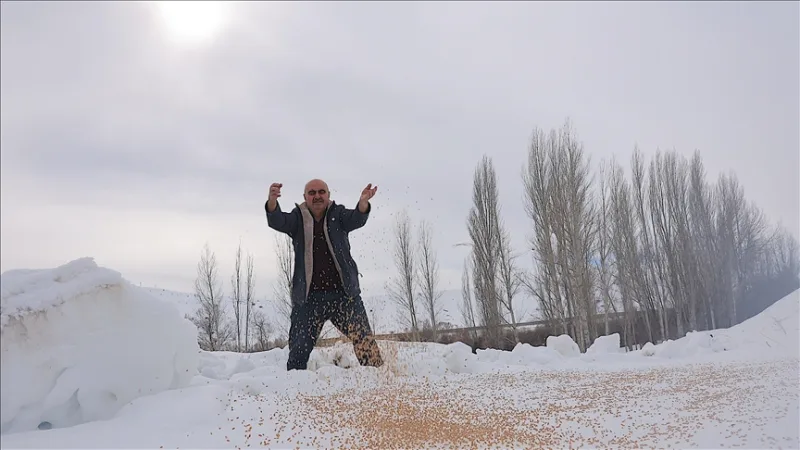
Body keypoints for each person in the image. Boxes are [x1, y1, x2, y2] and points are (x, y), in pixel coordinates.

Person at [264, 178, 384, 371]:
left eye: (321, 192)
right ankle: (296, 389)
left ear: (328, 196)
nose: (317, 196)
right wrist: (272, 201)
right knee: (298, 351)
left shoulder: (338, 214)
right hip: (308, 299)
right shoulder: (297, 218)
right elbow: (278, 220)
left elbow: (356, 218)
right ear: (305, 197)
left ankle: (380, 383)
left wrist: (363, 204)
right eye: (312, 193)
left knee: (365, 343)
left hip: (344, 296)